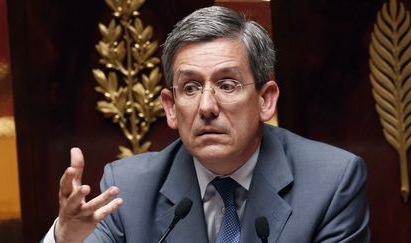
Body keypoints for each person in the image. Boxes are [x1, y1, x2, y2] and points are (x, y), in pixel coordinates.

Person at [43, 6, 369, 243]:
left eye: (227, 85)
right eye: (190, 87)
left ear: (265, 100)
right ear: (170, 108)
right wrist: (65, 239)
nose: (207, 107)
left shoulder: (331, 183)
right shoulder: (128, 190)